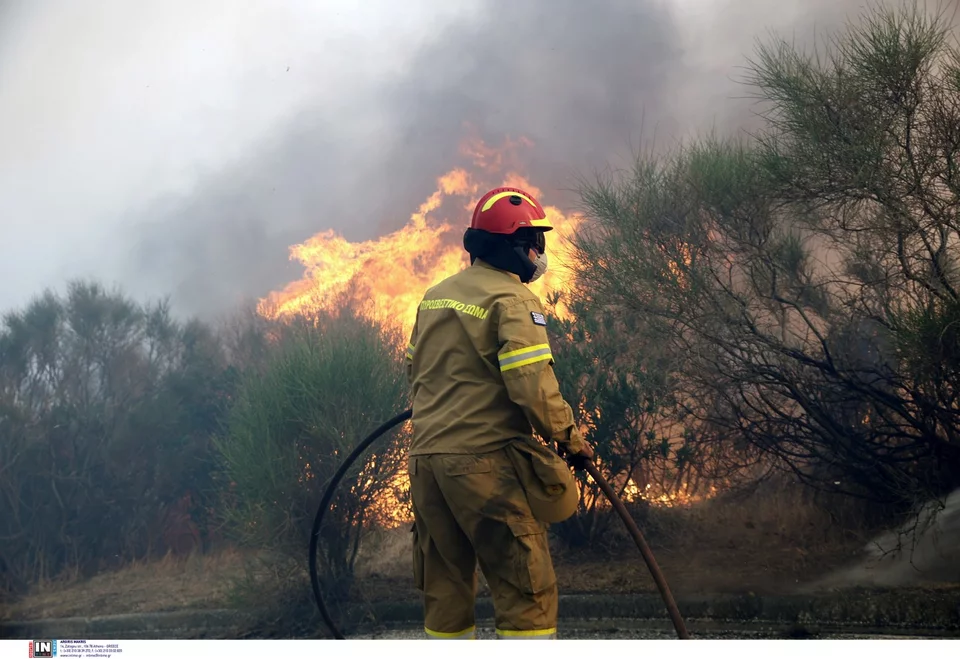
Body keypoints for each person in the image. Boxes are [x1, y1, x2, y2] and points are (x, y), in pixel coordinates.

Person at [404, 186, 595, 640]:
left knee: (445, 593)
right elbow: (532, 385)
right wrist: (572, 440)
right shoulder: (513, 301)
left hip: (426, 463)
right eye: (533, 242)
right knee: (525, 589)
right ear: (512, 246)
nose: (537, 253)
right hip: (482, 464)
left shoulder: (435, 296)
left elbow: (414, 368)